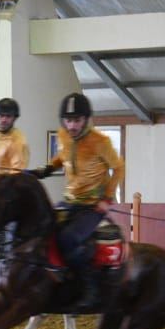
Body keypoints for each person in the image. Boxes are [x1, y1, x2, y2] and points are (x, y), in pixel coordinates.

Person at [45, 92, 125, 311]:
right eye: (68, 120)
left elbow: (118, 168)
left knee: (70, 238)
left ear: (86, 119)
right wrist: (48, 168)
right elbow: (63, 157)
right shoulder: (63, 137)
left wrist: (107, 198)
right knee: (44, 226)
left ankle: (89, 289)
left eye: (77, 120)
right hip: (70, 201)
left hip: (93, 204)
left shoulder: (101, 142)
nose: (72, 125)